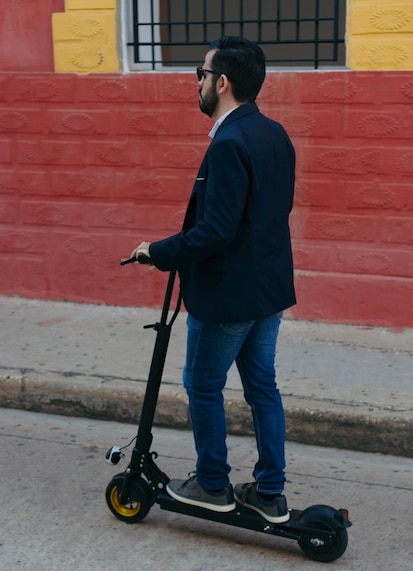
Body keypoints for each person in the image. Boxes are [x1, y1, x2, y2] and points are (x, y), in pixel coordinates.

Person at [130, 36, 296, 524]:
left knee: (202, 383)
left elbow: (216, 231)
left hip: (228, 295)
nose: (198, 84)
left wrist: (157, 251)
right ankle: (269, 492)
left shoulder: (229, 143)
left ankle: (211, 483)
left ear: (221, 83)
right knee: (262, 386)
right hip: (267, 290)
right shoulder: (274, 133)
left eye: (201, 75)